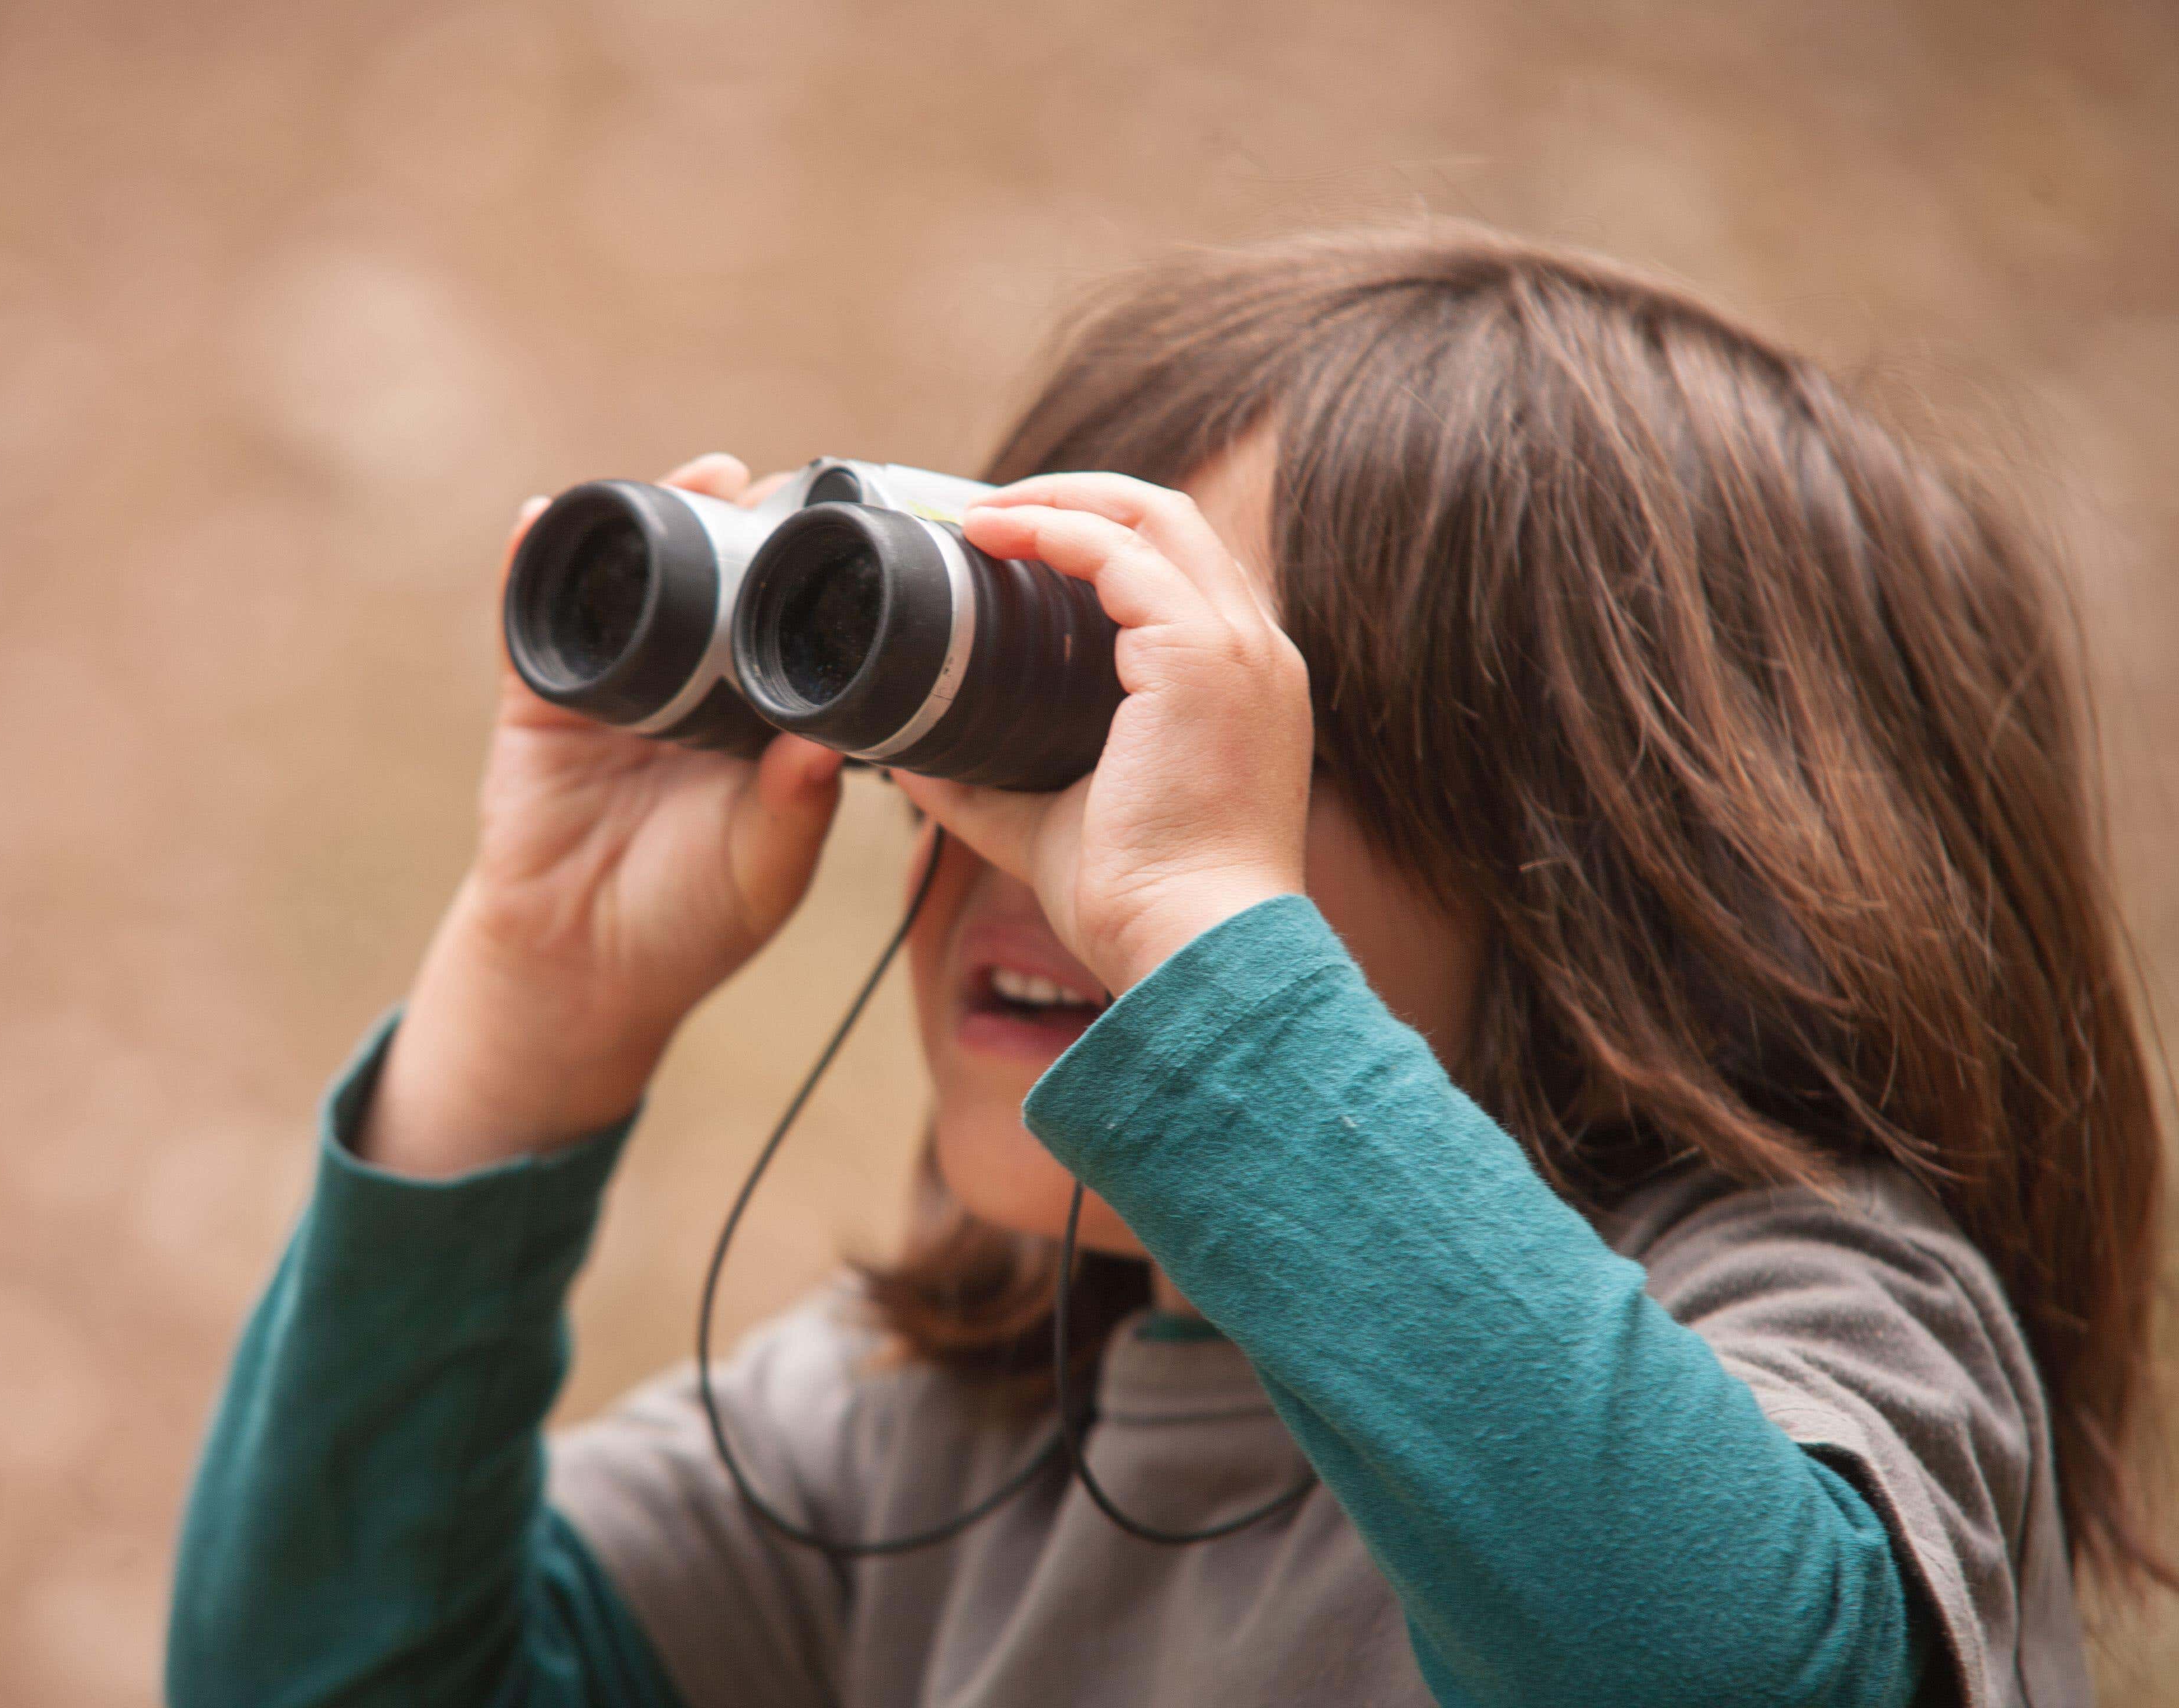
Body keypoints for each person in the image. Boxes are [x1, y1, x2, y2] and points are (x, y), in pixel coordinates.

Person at [165, 226, 2169, 1707]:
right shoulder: (917, 1447)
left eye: (1194, 736)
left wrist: (1210, 949)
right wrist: (530, 1009)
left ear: (1639, 888)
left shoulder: (1821, 1321)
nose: (1035, 836)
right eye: (1005, 715)